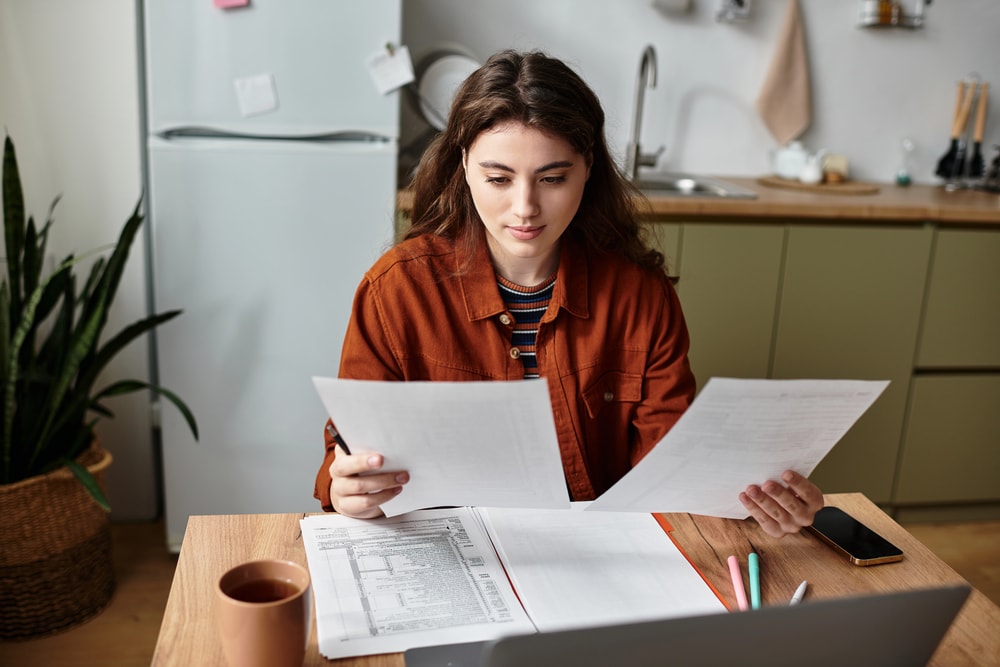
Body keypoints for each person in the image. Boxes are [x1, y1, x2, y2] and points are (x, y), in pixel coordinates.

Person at [314, 49, 822, 537]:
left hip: (600, 554)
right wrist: (347, 491)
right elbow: (345, 459)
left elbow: (670, 473)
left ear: (588, 169)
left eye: (552, 178)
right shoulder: (396, 290)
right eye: (498, 178)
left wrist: (755, 502)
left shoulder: (639, 296)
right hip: (452, 552)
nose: (524, 207)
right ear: (464, 164)